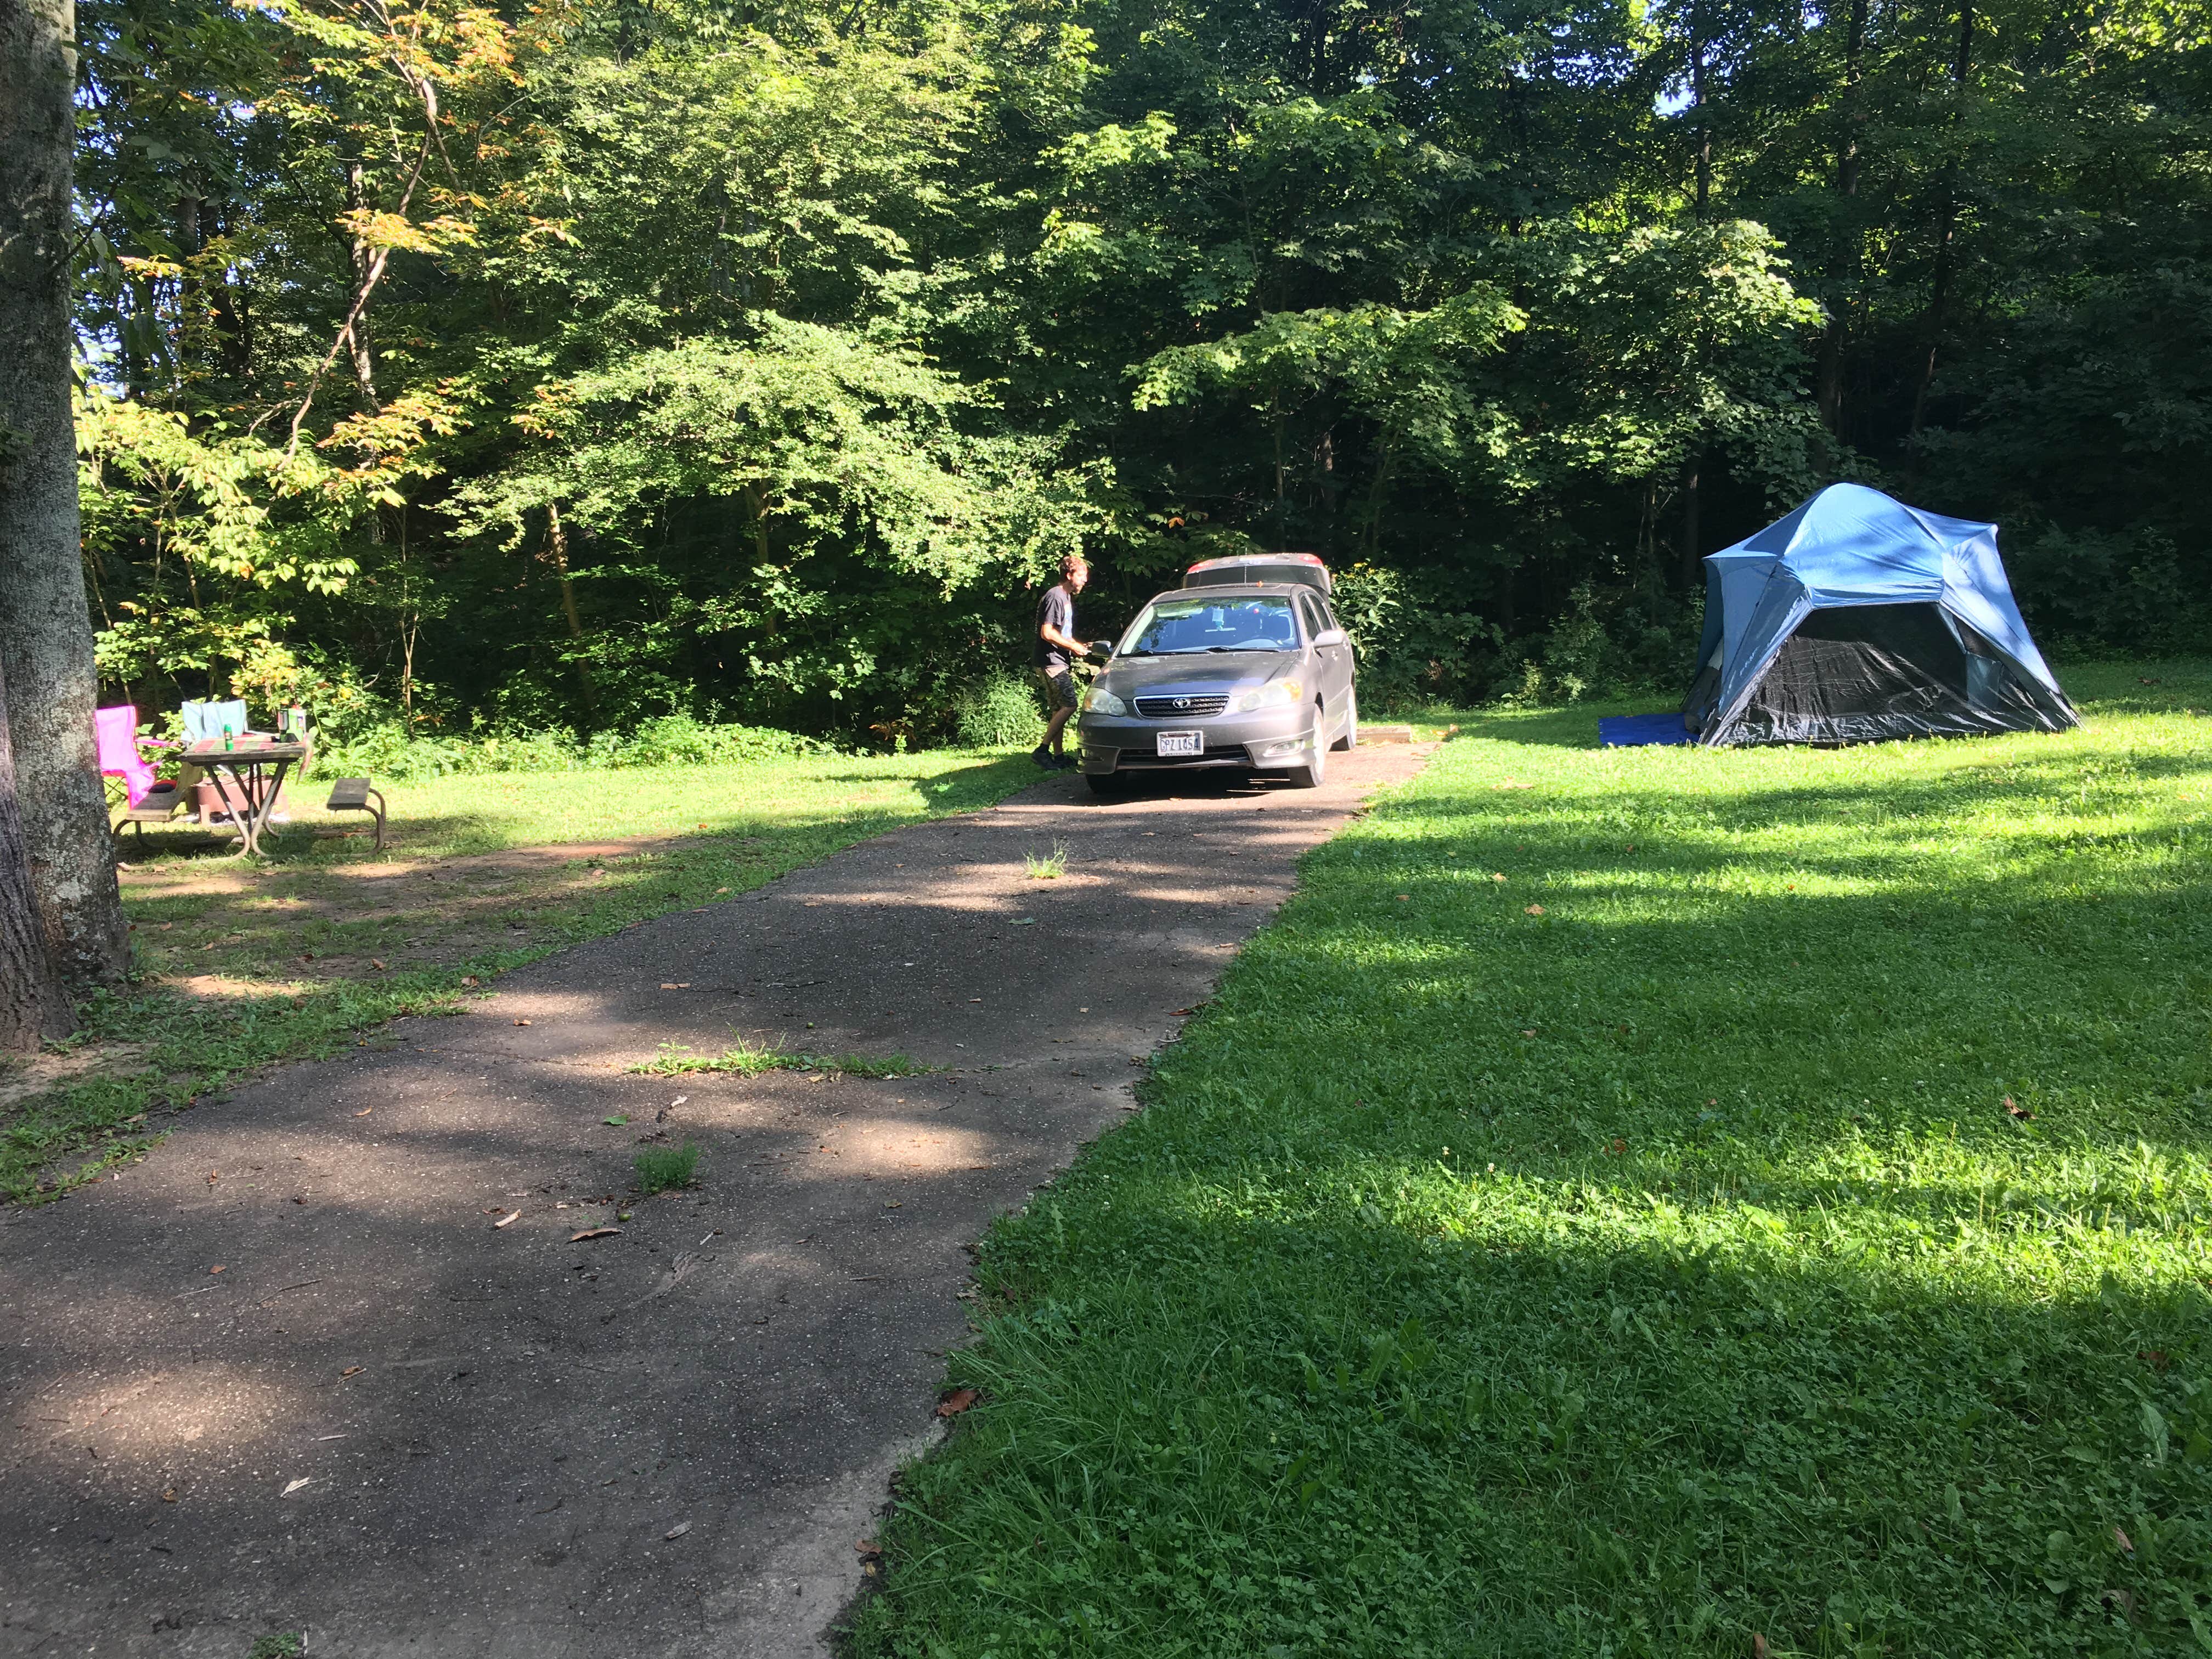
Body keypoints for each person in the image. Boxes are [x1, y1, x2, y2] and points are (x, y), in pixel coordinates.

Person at [1032, 554, 1092, 769]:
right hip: (1051, 662)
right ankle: (1042, 750)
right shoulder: (1055, 597)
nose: (1085, 580)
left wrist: (1076, 645)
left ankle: (1057, 757)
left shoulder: (1065, 597)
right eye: (1082, 575)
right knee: (1070, 704)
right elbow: (1047, 633)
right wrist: (1072, 646)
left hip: (1057, 660)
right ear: (1069, 575)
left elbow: (1061, 633)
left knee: (1058, 708)